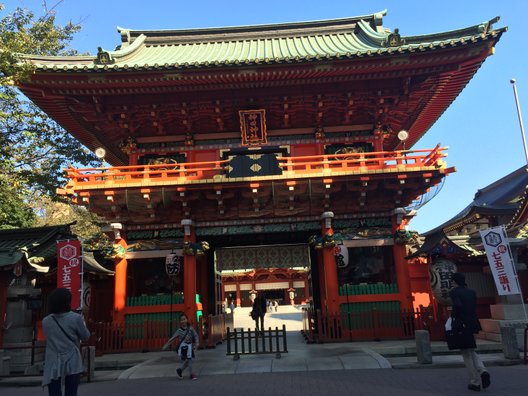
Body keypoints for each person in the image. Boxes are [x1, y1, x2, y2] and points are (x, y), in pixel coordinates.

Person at [42, 288, 91, 396]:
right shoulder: (75, 318)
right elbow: (86, 336)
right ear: (67, 301)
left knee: (54, 392)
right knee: (71, 392)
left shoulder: (46, 321)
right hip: (71, 359)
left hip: (53, 360)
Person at [449, 272, 491, 392]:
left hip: (462, 324)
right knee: (471, 349)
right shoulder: (472, 292)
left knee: (466, 353)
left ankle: (475, 382)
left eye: (453, 281)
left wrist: (453, 317)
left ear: (455, 281)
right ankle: (483, 371)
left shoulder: (454, 292)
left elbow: (457, 306)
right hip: (472, 323)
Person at [162, 313, 199, 380]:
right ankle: (191, 374)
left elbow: (195, 335)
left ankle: (180, 370)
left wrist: (196, 344)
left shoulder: (190, 328)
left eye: (184, 319)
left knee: (191, 359)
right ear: (180, 321)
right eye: (182, 320)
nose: (183, 321)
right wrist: (166, 346)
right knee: (190, 359)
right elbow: (172, 338)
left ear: (187, 320)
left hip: (190, 346)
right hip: (184, 347)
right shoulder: (179, 331)